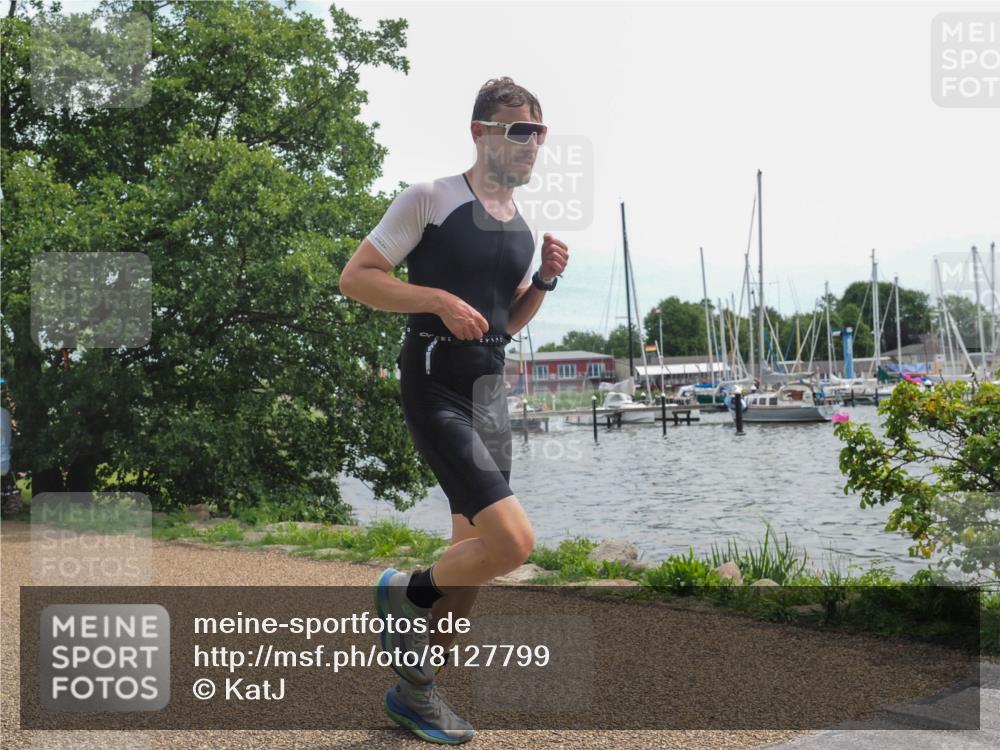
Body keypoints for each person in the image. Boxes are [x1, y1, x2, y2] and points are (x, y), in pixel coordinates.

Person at [340, 77, 569, 744]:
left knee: (473, 563)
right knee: (512, 544)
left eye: (539, 132)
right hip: (436, 382)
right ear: (480, 133)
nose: (531, 143)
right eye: (518, 130)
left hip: (488, 394)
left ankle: (416, 696)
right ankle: (404, 592)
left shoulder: (519, 227)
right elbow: (357, 278)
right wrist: (436, 300)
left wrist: (544, 281)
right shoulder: (431, 198)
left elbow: (504, 324)